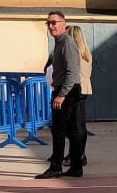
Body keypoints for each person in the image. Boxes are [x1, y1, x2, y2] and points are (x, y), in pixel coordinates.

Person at [36, 11, 84, 179]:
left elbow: (72, 72)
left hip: (67, 91)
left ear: (63, 24)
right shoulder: (59, 42)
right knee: (71, 130)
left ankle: (56, 166)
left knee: (59, 129)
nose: (51, 26)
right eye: (48, 23)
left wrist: (62, 94)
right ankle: (76, 166)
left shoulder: (67, 43)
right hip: (64, 89)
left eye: (54, 22)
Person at [65, 25, 92, 168]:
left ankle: (77, 154)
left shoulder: (73, 52)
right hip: (85, 89)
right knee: (81, 124)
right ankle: (79, 153)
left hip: (74, 89)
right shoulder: (86, 52)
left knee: (74, 126)